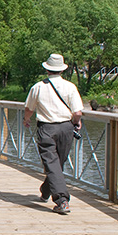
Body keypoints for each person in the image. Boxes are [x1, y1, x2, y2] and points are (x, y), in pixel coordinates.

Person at [22, 53, 83, 215]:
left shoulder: (38, 87)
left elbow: (29, 108)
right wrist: (76, 122)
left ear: (47, 69)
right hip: (66, 128)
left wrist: (26, 119)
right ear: (62, 70)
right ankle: (49, 192)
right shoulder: (70, 87)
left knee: (52, 163)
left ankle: (61, 201)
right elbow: (77, 112)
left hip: (47, 128)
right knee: (57, 163)